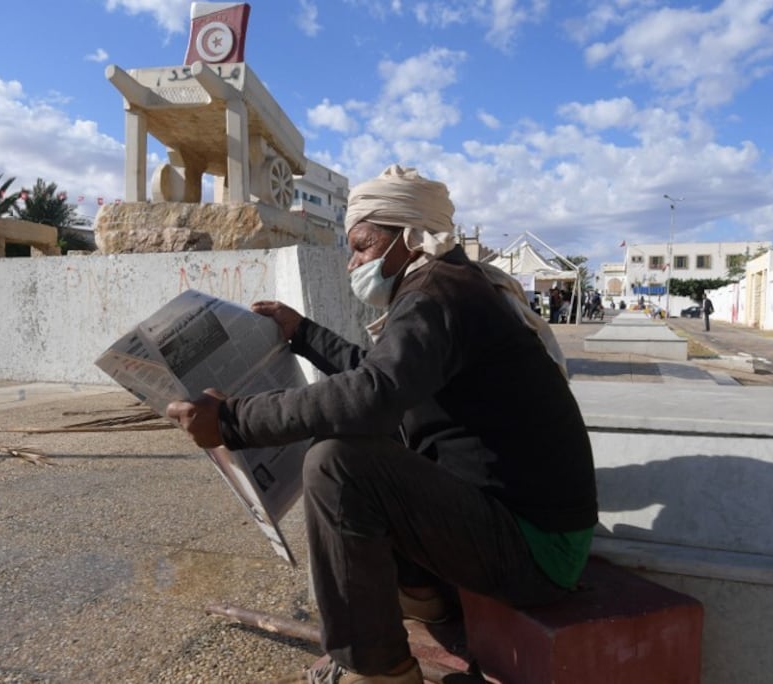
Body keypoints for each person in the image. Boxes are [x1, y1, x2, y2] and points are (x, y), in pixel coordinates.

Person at [166, 165, 597, 684]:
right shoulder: (452, 284)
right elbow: (380, 377)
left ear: (411, 238)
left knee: (339, 464)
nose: (353, 263)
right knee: (379, 439)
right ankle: (425, 596)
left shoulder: (437, 295)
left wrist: (233, 420)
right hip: (525, 532)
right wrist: (301, 333)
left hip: (538, 554)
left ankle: (378, 671)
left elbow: (372, 395)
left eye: (363, 245)